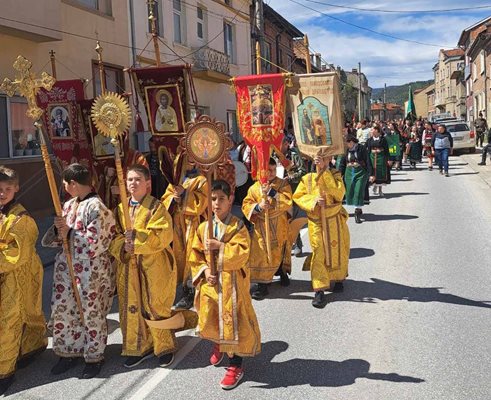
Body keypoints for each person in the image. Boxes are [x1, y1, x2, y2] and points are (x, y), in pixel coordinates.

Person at [42, 163, 115, 379]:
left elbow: (97, 241)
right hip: (67, 269)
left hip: (90, 272)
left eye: (65, 183)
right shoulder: (69, 205)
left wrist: (70, 232)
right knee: (65, 310)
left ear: (73, 183)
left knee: (91, 312)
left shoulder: (97, 207)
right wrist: (58, 229)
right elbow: (59, 238)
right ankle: (68, 352)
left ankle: (94, 356)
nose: (64, 186)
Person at [189, 180, 261, 390]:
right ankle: (219, 343)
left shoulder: (238, 226)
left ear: (230, 200)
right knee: (212, 317)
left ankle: (235, 364)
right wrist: (206, 271)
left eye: (222, 198)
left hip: (232, 286)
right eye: (213, 199)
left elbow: (242, 254)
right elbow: (195, 255)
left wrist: (220, 247)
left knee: (233, 322)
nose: (217, 203)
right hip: (211, 285)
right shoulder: (204, 227)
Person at [110, 164, 178, 368]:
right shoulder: (120, 208)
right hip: (128, 265)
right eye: (129, 180)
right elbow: (113, 236)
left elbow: (164, 235)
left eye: (137, 179)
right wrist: (123, 246)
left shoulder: (156, 207)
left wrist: (137, 242)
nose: (133, 183)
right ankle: (138, 346)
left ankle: (163, 346)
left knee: (154, 305)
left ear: (147, 183)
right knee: (131, 306)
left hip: (153, 264)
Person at [0, 167, 47, 395]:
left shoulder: (21, 219)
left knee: (9, 320)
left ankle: (4, 372)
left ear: (16, 188)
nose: (3, 193)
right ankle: (29, 348)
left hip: (17, 275)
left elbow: (18, 254)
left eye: (8, 189)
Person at [293, 154, 350, 308]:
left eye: (324, 158)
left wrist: (325, 172)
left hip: (334, 220)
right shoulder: (307, 178)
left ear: (329, 158)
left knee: (338, 249)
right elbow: (298, 196)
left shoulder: (336, 175)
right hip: (316, 221)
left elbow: (339, 194)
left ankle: (338, 277)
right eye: (318, 158)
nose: (320, 161)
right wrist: (313, 201)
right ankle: (319, 289)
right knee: (319, 251)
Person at [242, 158, 293, 300]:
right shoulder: (254, 188)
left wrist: (272, 193)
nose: (271, 173)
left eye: (273, 170)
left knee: (279, 249)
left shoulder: (282, 184)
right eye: (268, 170)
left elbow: (287, 201)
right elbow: (246, 205)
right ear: (261, 171)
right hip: (261, 226)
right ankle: (261, 284)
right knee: (261, 252)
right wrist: (258, 207)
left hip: (278, 224)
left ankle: (282, 272)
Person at [161, 165, 208, 310]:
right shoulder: (175, 181)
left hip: (193, 223)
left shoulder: (201, 180)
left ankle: (192, 290)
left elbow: (203, 201)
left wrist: (185, 194)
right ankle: (184, 287)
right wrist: (173, 199)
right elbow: (165, 199)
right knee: (179, 256)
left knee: (192, 256)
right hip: (177, 223)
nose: (188, 163)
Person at [276, 136, 307, 256]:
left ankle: (297, 242)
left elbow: (303, 171)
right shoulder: (274, 156)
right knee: (282, 218)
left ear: (286, 144)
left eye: (280, 144)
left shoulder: (294, 154)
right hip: (279, 191)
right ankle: (284, 245)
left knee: (293, 217)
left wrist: (290, 178)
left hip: (292, 189)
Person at [338, 135, 369, 224]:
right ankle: (357, 207)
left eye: (347, 143)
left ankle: (357, 212)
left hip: (360, 172)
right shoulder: (346, 150)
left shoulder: (362, 148)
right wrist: (340, 174)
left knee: (358, 190)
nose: (346, 145)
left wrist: (371, 174)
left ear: (352, 142)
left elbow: (367, 160)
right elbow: (342, 163)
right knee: (350, 190)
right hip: (349, 173)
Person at [366, 125, 391, 196]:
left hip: (381, 158)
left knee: (380, 173)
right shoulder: (370, 140)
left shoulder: (383, 139)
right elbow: (365, 148)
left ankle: (380, 190)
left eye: (372, 130)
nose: (371, 131)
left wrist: (388, 159)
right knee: (373, 172)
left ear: (377, 131)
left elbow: (386, 149)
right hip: (372, 158)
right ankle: (374, 186)